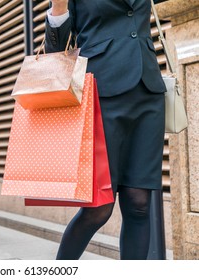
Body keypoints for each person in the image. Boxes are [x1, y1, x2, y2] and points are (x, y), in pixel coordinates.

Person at [46, 0, 166, 260]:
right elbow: (56, 51)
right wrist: (58, 8)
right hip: (101, 96)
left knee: (139, 204)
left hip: (148, 92)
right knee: (99, 208)